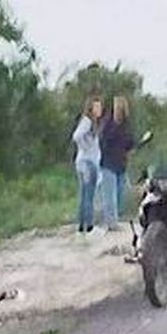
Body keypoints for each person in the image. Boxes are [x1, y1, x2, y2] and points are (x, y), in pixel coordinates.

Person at [97, 95, 136, 230]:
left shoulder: (126, 125)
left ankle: (113, 220)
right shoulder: (108, 123)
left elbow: (130, 142)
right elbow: (102, 140)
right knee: (110, 195)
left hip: (120, 164)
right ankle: (111, 222)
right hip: (108, 163)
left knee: (119, 194)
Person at [71, 97, 103, 234]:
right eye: (97, 107)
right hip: (88, 162)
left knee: (84, 195)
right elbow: (76, 136)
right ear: (91, 109)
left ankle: (81, 226)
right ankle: (89, 227)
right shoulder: (88, 122)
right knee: (89, 195)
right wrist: (86, 147)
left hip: (83, 161)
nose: (99, 109)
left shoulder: (90, 123)